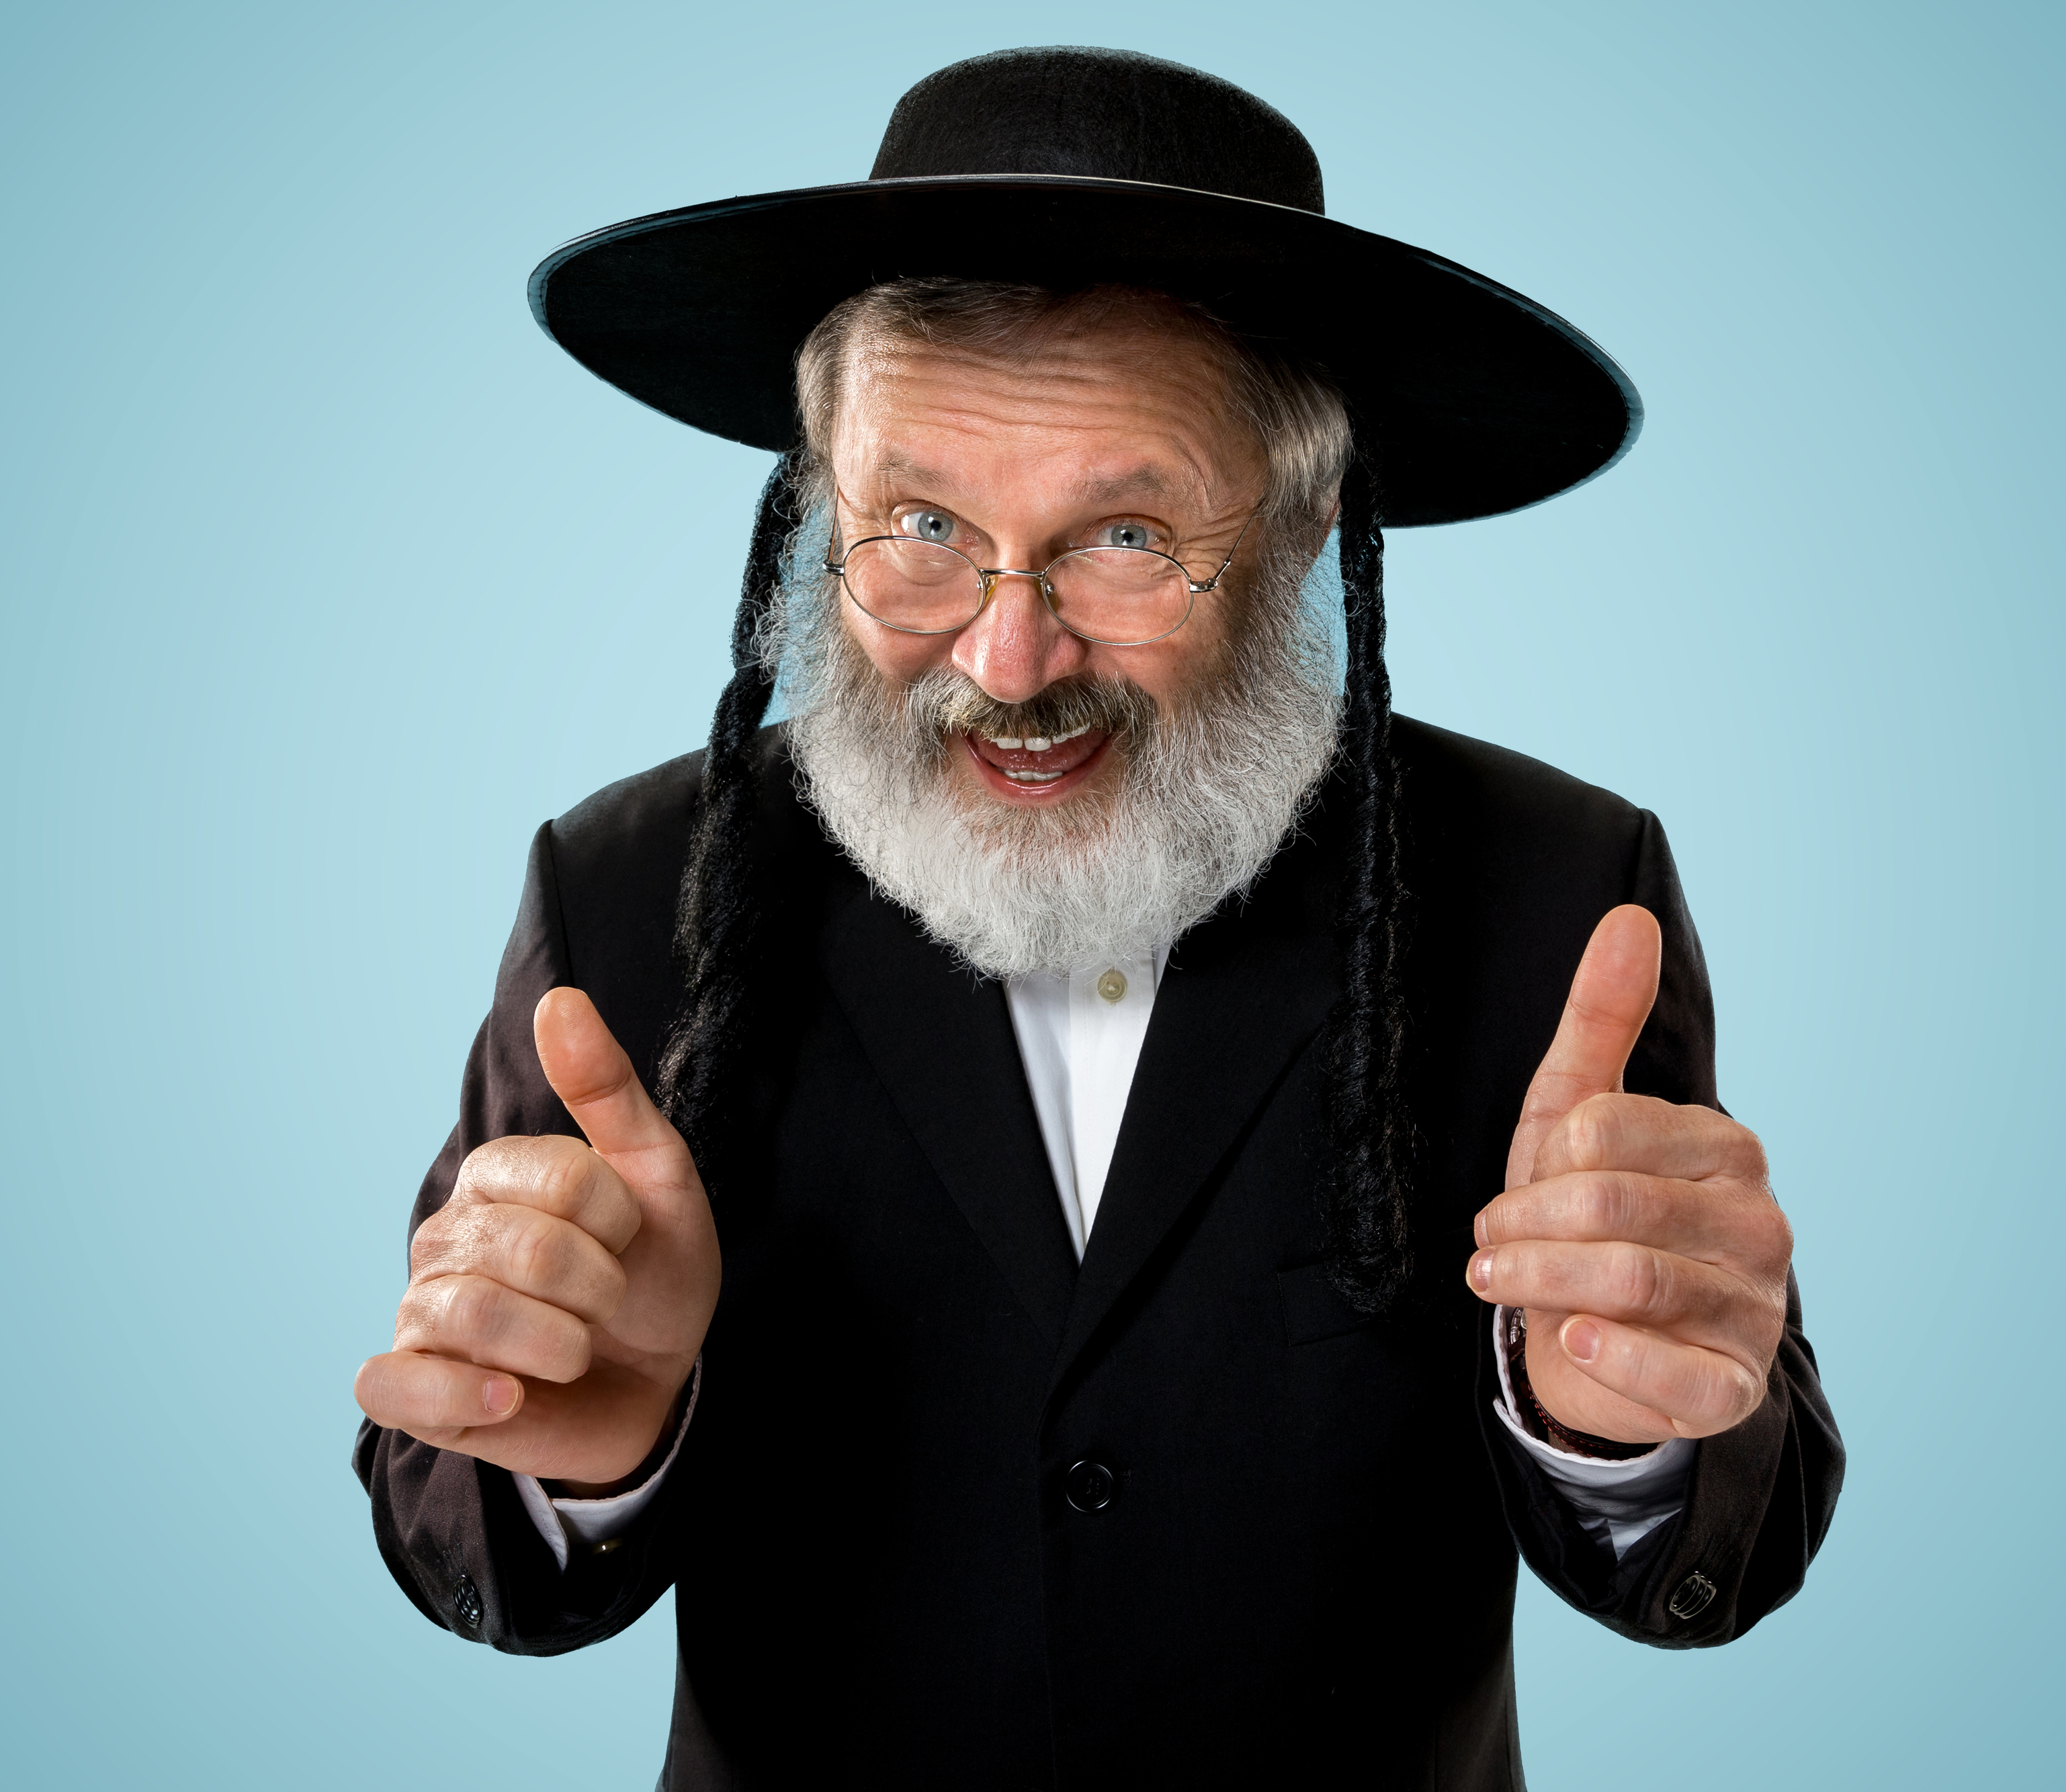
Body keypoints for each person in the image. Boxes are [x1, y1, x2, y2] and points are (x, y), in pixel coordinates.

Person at [351, 45, 1839, 1792]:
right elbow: (450, 1530)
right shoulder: (625, 897)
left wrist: (1621, 1417)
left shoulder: (1556, 895)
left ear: (1295, 543)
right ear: (817, 519)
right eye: (917, 524)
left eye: (1124, 537)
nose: (1008, 658)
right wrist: (579, 1451)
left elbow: (1722, 1546)